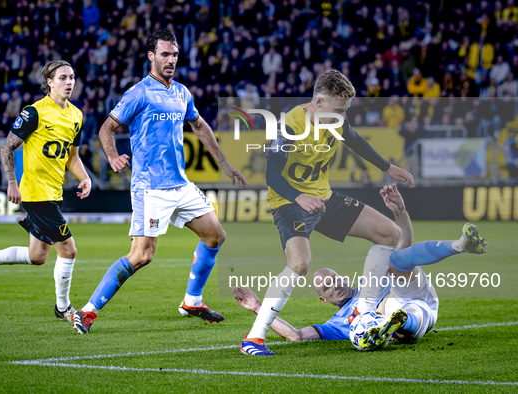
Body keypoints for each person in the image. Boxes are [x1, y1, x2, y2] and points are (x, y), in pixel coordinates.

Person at [72, 29, 247, 334]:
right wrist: (113, 157)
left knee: (215, 236)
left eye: (175, 55)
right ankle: (87, 311)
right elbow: (106, 129)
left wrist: (225, 164)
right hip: (150, 187)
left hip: (181, 185)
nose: (171, 60)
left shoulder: (181, 92)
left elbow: (200, 126)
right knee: (142, 256)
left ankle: (192, 301)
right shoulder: (138, 93)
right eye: (165, 54)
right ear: (151, 56)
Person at [241, 70, 415, 355]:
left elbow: (356, 140)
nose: (343, 117)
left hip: (324, 198)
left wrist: (387, 167)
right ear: (319, 101)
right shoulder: (289, 126)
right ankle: (254, 338)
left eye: (346, 111)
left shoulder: (334, 121)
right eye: (339, 110)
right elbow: (271, 175)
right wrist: (298, 197)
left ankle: (365, 308)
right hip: (290, 202)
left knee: (390, 233)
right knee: (299, 263)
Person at [233, 185, 487, 353]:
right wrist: (258, 308)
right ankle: (396, 324)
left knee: (397, 259)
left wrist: (400, 211)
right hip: (418, 312)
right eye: (327, 287)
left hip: (411, 290)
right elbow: (296, 336)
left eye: (334, 279)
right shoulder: (336, 324)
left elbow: (405, 246)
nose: (335, 285)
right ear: (323, 299)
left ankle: (459, 244)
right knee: (399, 310)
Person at [0, 60, 92, 323]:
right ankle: (63, 308)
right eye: (63, 77)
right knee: (69, 250)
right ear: (49, 82)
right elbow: (6, 148)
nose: (69, 82)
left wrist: (84, 177)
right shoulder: (34, 113)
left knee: (37, 256)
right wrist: (12, 182)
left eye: (72, 77)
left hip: (54, 193)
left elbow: (72, 156)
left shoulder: (76, 115)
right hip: (35, 193)